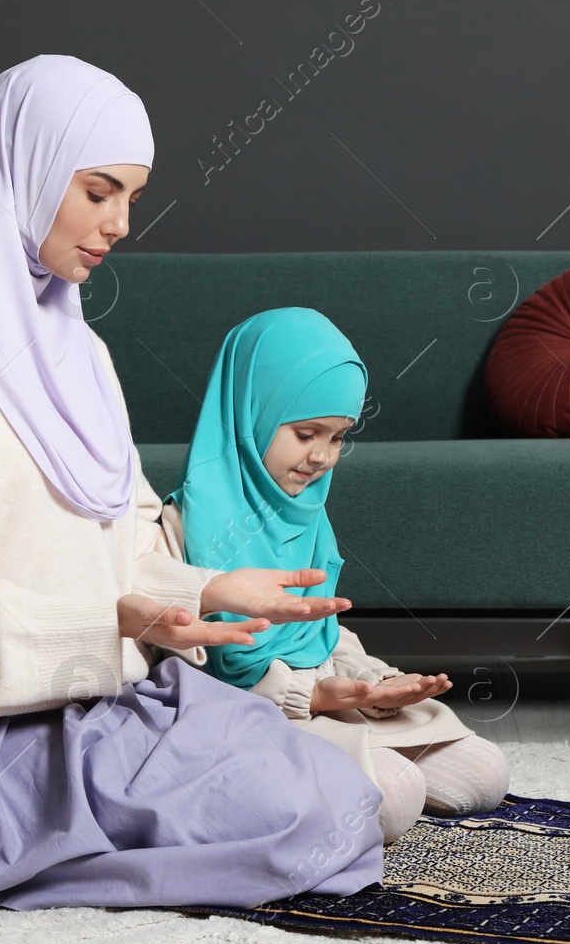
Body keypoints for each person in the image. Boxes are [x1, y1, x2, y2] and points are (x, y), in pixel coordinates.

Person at [0, 55, 385, 911]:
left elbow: (120, 536)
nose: (118, 224)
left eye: (132, 200)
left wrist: (208, 586)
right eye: (98, 191)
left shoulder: (80, 349)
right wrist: (104, 620)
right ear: (23, 167)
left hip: (99, 693)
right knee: (301, 815)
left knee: (349, 797)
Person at [154, 307, 510, 843]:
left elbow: (315, 630)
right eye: (305, 433)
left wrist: (373, 682)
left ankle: (352, 752)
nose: (321, 457)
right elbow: (182, 673)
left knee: (485, 776)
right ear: (250, 412)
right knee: (393, 799)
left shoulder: (304, 512)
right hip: (249, 716)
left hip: (326, 694)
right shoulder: (182, 526)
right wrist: (311, 698)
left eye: (339, 438)